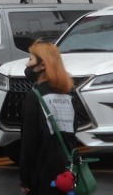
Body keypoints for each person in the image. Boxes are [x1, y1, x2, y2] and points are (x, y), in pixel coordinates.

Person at [19, 41, 76, 194]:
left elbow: (29, 141)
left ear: (43, 65)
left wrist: (25, 178)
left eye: (31, 59)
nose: (27, 63)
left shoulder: (34, 96)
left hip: (42, 171)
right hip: (66, 172)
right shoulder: (68, 95)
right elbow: (73, 133)